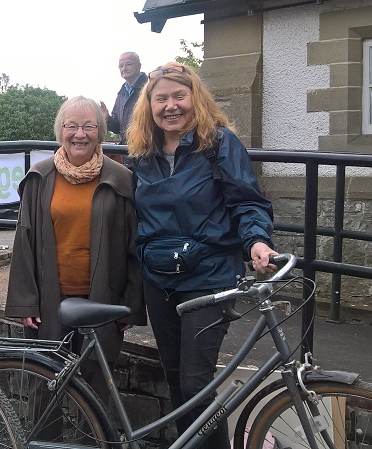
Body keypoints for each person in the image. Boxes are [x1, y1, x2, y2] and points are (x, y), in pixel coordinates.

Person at [126, 61, 278, 448]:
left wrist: (256, 242)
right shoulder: (142, 153)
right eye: (161, 98)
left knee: (196, 380)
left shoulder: (219, 144)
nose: (171, 106)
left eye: (180, 96)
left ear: (196, 99)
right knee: (175, 376)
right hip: (158, 278)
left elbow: (247, 201)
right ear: (149, 105)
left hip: (208, 278)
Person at [4, 96, 145, 439]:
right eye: (71, 126)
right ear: (60, 131)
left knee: (97, 384)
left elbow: (135, 247)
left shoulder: (121, 178)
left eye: (89, 126)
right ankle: (43, 444)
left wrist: (130, 302)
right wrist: (26, 301)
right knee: (44, 382)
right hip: (50, 299)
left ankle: (92, 444)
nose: (79, 134)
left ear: (100, 132)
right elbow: (23, 243)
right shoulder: (40, 178)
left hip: (101, 298)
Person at [100, 51, 146, 146]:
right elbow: (117, 128)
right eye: (121, 66)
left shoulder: (149, 88)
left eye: (128, 64)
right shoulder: (121, 94)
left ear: (139, 66)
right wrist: (107, 118)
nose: (124, 69)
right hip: (127, 152)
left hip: (148, 151)